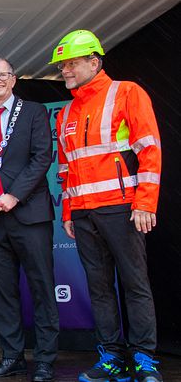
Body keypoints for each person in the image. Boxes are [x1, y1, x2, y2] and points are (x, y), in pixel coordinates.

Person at [50, 30, 163, 382]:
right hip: (83, 214)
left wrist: (145, 202)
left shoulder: (127, 92)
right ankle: (111, 357)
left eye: (70, 64)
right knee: (98, 289)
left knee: (135, 284)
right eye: (62, 66)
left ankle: (145, 360)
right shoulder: (65, 112)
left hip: (123, 207)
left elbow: (150, 150)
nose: (64, 71)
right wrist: (68, 213)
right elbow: (65, 170)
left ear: (93, 61)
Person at [0, 57, 59, 382]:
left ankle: (46, 359)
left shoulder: (34, 112)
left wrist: (13, 195)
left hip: (29, 214)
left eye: (2, 75)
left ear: (13, 79)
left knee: (42, 288)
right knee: (3, 293)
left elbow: (41, 157)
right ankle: (12, 356)